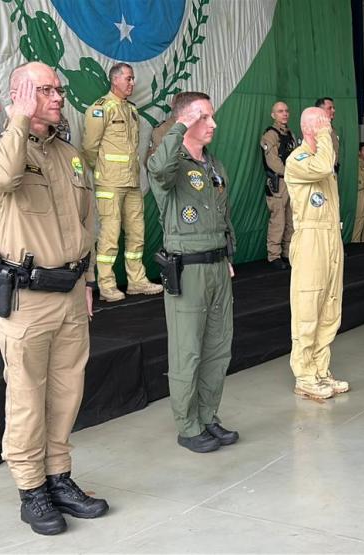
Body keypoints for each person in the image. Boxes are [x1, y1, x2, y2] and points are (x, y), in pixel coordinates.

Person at [0, 62, 108, 535]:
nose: (56, 97)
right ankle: (31, 489)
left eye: (57, 89)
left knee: (67, 392)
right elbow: (4, 178)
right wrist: (18, 119)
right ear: (19, 94)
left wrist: (87, 281)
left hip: (70, 294)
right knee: (28, 396)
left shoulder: (70, 154)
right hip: (27, 298)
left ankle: (58, 477)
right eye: (43, 90)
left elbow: (85, 224)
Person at [146, 92, 238, 454]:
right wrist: (181, 123)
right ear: (186, 121)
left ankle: (207, 416)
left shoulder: (214, 166)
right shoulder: (170, 165)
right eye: (205, 117)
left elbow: (223, 215)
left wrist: (226, 254)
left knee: (218, 348)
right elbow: (157, 170)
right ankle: (187, 425)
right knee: (188, 352)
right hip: (188, 271)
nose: (213, 124)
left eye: (212, 117)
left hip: (216, 265)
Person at [82, 63, 162, 302]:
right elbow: (89, 148)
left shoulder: (131, 110)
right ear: (114, 80)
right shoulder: (100, 109)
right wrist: (105, 171)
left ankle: (136, 281)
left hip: (132, 182)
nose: (132, 83)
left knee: (137, 233)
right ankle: (107, 285)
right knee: (109, 234)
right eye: (128, 78)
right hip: (110, 183)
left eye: (133, 79)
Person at [284, 107, 348, 399]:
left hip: (331, 235)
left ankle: (321, 370)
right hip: (311, 238)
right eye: (324, 124)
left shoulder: (323, 156)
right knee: (308, 307)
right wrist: (323, 136)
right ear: (309, 128)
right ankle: (304, 375)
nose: (329, 128)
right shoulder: (298, 159)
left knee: (330, 307)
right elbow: (323, 167)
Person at [259, 101, 297, 268]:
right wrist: (292, 173)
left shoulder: (291, 134)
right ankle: (274, 256)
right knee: (278, 221)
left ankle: (288, 253)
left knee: (291, 220)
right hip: (278, 183)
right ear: (273, 115)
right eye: (280, 111)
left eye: (286, 110)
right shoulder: (270, 136)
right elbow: (273, 162)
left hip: (291, 182)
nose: (285, 114)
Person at [314, 97, 339, 172]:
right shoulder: (313, 129)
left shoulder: (332, 130)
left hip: (331, 172)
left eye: (333, 108)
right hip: (319, 173)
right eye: (329, 108)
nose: (333, 110)